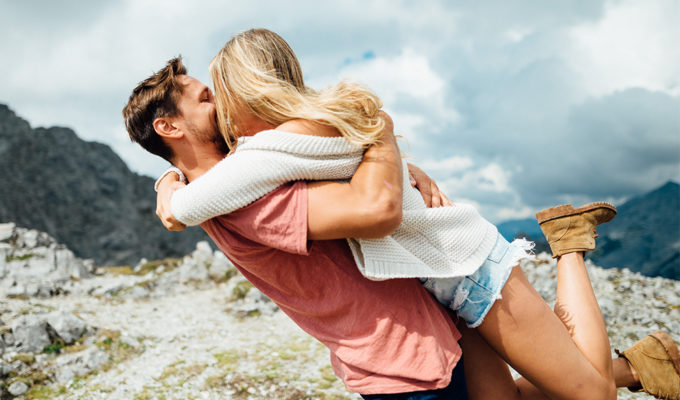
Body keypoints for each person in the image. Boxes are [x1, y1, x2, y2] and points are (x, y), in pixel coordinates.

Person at [124, 31, 679, 399]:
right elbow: (354, 176)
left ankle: (569, 244)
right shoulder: (263, 162)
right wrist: (168, 181)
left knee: (590, 395)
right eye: (206, 99)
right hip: (436, 284)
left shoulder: (264, 155)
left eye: (218, 93)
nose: (219, 106)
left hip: (461, 265)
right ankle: (637, 365)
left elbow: (375, 205)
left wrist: (171, 193)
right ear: (169, 127)